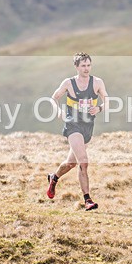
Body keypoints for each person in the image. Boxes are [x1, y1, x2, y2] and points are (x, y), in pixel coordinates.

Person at [46, 52, 108, 211]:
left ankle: (54, 178)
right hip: (72, 125)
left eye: (88, 65)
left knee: (71, 163)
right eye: (83, 66)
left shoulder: (97, 82)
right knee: (84, 161)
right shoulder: (69, 83)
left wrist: (99, 108)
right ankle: (87, 200)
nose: (86, 69)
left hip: (88, 126)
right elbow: (53, 98)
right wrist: (58, 111)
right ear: (76, 67)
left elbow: (107, 100)